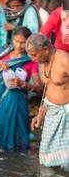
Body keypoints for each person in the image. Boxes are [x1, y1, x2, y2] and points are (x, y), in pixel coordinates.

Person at [0, 26, 43, 150]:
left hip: (18, 102)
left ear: (29, 42)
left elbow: (39, 87)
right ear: (12, 40)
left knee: (17, 136)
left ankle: (15, 158)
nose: (19, 45)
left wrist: (23, 84)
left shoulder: (31, 60)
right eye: (16, 41)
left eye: (23, 42)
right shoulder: (3, 53)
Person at [26, 33, 69, 169]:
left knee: (66, 163)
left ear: (45, 49)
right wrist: (40, 113)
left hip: (66, 115)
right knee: (46, 160)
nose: (32, 59)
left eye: (34, 55)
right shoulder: (42, 62)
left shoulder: (64, 60)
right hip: (51, 113)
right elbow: (47, 89)